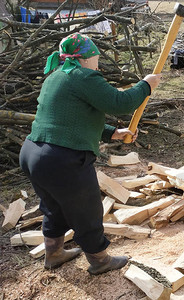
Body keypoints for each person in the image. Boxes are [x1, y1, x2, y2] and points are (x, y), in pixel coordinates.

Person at [19, 33, 161, 275]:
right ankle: (100, 261)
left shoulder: (55, 77)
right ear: (85, 58)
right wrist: (146, 85)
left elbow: (71, 119)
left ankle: (53, 254)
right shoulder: (83, 75)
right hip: (62, 159)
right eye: (95, 57)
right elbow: (120, 102)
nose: (98, 63)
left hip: (33, 154)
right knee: (87, 210)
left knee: (54, 207)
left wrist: (113, 133)